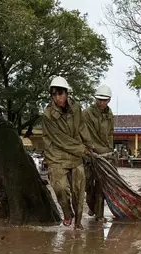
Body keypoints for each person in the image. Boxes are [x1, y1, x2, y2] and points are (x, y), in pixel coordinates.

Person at [42, 76, 94, 229]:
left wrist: (90, 145)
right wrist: (82, 149)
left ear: (67, 93)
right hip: (56, 155)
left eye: (61, 93)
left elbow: (81, 127)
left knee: (79, 189)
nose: (58, 98)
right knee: (60, 188)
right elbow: (60, 140)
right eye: (54, 94)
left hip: (75, 155)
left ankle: (78, 222)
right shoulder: (47, 115)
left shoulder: (76, 108)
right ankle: (66, 212)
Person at [83, 84, 114, 220]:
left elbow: (110, 134)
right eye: (99, 100)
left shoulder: (110, 115)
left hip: (105, 155)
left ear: (109, 100)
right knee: (87, 185)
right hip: (90, 155)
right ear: (95, 99)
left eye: (104, 100)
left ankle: (99, 216)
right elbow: (84, 134)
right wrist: (89, 150)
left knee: (101, 187)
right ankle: (92, 207)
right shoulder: (87, 114)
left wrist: (110, 152)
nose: (101, 103)